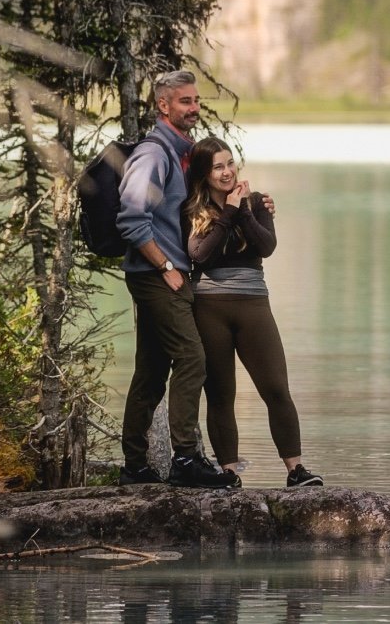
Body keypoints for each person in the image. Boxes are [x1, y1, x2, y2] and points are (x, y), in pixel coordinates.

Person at [115, 71, 236, 487]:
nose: (194, 109)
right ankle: (186, 460)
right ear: (163, 105)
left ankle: (134, 467)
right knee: (192, 359)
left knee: (150, 373)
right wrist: (166, 268)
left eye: (196, 101)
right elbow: (132, 220)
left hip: (165, 275)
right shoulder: (153, 154)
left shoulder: (181, 153)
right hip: (157, 277)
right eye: (185, 101)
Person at [184, 136, 324, 488]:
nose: (228, 171)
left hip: (253, 306)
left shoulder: (257, 202)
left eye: (230, 163)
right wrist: (228, 212)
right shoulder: (193, 210)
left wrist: (243, 209)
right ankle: (229, 473)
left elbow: (267, 246)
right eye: (218, 166)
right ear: (204, 173)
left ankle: (296, 470)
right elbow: (201, 257)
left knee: (276, 388)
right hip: (209, 308)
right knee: (220, 394)